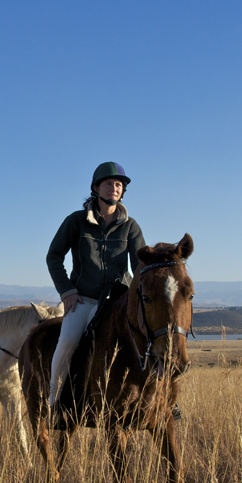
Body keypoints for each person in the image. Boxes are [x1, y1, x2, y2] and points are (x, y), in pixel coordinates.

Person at [46, 162, 146, 416]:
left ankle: (165, 400)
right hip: (83, 300)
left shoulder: (130, 226)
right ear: (95, 188)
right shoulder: (76, 221)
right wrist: (67, 292)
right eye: (109, 183)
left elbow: (139, 267)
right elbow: (54, 256)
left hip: (117, 302)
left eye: (119, 184)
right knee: (67, 342)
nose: (115, 188)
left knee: (150, 341)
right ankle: (53, 399)